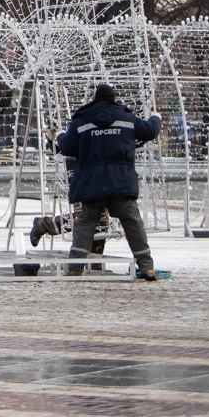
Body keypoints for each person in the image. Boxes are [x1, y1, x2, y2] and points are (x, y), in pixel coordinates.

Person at [54, 83, 162, 280]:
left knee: (85, 223)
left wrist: (60, 135)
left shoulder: (82, 120)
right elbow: (149, 131)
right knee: (132, 223)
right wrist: (156, 117)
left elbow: (68, 147)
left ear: (95, 99)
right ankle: (146, 267)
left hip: (92, 183)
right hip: (121, 181)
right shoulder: (127, 118)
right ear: (114, 100)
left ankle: (75, 268)